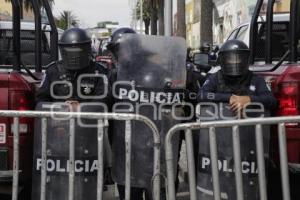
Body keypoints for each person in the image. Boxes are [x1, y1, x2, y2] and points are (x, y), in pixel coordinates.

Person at [36, 28, 111, 104]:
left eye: (78, 50)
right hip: (59, 114)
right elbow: (41, 99)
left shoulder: (99, 71)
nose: (74, 56)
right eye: (70, 51)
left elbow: (104, 99)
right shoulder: (53, 70)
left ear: (87, 48)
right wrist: (61, 108)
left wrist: (81, 108)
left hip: (88, 114)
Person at [198, 39, 277, 111]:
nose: (234, 62)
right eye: (230, 59)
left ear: (245, 59)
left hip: (249, 125)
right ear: (223, 60)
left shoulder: (255, 79)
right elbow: (201, 95)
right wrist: (230, 98)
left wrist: (249, 99)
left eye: (238, 58)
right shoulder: (215, 78)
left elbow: (270, 100)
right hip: (221, 123)